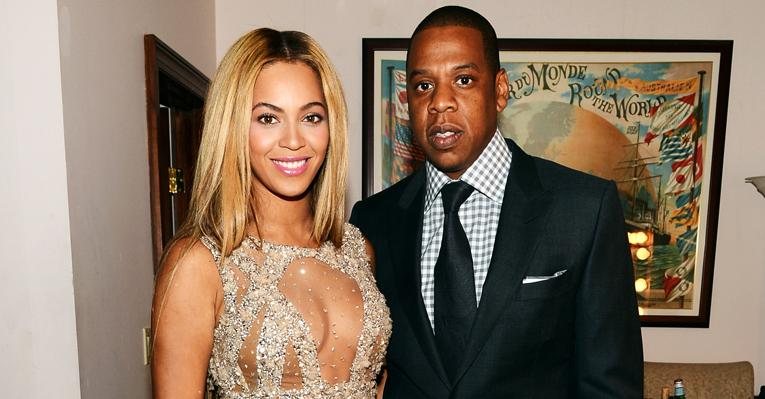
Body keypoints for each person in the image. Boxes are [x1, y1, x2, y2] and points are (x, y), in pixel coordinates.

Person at [350, 5, 643, 398]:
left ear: (500, 90)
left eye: (464, 79)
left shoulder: (584, 209)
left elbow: (610, 387)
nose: (440, 102)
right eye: (423, 86)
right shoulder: (372, 220)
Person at [151, 28, 391, 398]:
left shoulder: (357, 250)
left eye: (311, 117)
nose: (294, 140)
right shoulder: (199, 262)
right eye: (267, 118)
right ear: (232, 127)